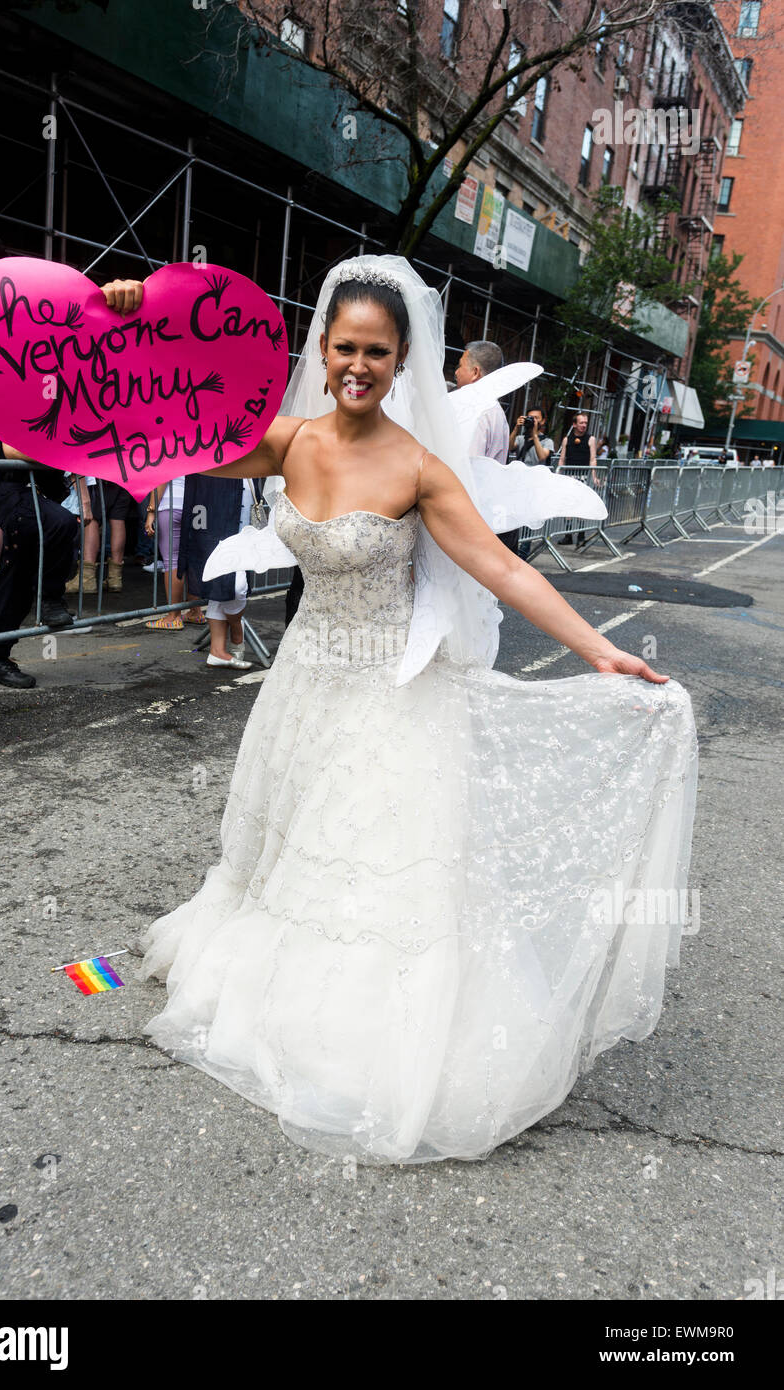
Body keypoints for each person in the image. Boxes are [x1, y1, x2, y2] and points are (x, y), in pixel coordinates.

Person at [99, 257, 698, 1167]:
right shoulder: (291, 441)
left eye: (376, 351)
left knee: (378, 867)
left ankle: (362, 1037)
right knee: (290, 849)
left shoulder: (419, 469)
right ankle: (276, 990)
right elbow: (176, 429)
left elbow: (503, 568)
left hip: (392, 696)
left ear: (400, 358)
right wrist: (136, 326)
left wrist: (599, 650)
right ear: (323, 347)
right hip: (303, 684)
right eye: (344, 346)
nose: (357, 365)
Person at [0, 430, 77, 688]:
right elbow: (12, 450)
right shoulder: (12, 403)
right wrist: (56, 457)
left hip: (25, 494)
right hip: (9, 494)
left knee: (16, 586)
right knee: (61, 522)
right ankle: (51, 599)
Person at [175, 470, 253, 669]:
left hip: (245, 528)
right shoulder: (209, 455)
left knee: (222, 589)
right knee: (234, 586)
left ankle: (217, 651)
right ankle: (237, 631)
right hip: (215, 526)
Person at [454, 339, 520, 557]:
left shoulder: (479, 412)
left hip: (472, 517)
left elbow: (467, 470)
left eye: (460, 365)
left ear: (475, 372)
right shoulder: (493, 409)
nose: (455, 372)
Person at [141, 476, 204, 630]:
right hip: (198, 507)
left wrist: (151, 510)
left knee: (172, 560)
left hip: (172, 504)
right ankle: (195, 611)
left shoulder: (168, 450)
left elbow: (161, 477)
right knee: (193, 558)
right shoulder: (201, 450)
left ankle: (173, 616)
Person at [555, 412, 600, 547]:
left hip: (583, 476)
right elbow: (562, 458)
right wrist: (559, 474)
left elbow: (593, 459)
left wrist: (594, 476)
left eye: (585, 423)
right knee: (568, 505)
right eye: (581, 423)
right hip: (569, 475)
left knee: (581, 505)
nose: (584, 425)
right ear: (574, 424)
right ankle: (568, 535)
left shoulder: (590, 439)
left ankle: (581, 535)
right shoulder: (566, 439)